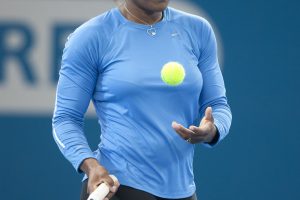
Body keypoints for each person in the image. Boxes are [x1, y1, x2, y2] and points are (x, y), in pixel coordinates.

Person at [52, 0, 232, 199]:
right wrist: (91, 165)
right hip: (119, 186)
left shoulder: (198, 30)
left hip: (184, 190)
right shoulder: (90, 36)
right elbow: (65, 119)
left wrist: (212, 130)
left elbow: (218, 105)